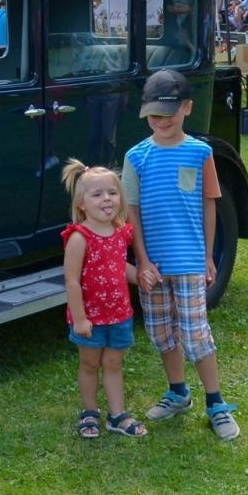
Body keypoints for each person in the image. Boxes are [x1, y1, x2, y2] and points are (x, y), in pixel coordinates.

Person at [126, 69, 238, 441]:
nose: (161, 121)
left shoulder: (200, 152)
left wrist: (207, 256)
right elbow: (133, 212)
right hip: (153, 267)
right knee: (161, 333)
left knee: (195, 334)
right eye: (153, 115)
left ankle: (216, 403)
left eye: (168, 113)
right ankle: (178, 392)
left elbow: (209, 204)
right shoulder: (136, 158)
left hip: (188, 260)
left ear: (187, 108)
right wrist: (141, 260)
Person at [60, 158, 145, 440]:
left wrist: (139, 275)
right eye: (97, 194)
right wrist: (80, 318)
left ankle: (117, 415)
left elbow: (119, 266)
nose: (106, 199)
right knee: (89, 364)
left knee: (113, 364)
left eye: (112, 192)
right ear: (82, 204)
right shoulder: (79, 237)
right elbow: (72, 280)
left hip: (119, 314)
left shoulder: (120, 233)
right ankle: (90, 412)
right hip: (91, 319)